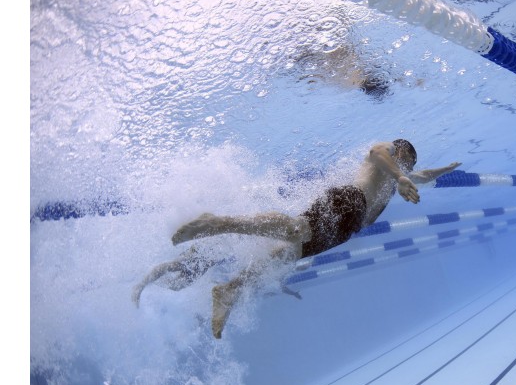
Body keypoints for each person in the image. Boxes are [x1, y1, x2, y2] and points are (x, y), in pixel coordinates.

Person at [166, 139, 461, 339]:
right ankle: (216, 223)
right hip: (350, 201)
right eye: (405, 162)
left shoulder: (400, 175)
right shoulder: (387, 155)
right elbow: (376, 154)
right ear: (399, 152)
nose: (406, 169)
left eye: (408, 167)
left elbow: (420, 176)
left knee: (284, 256)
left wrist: (443, 170)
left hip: (347, 228)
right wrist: (399, 177)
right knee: (295, 230)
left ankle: (230, 289)